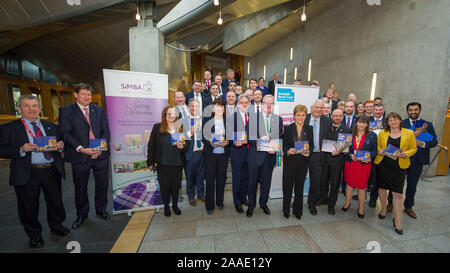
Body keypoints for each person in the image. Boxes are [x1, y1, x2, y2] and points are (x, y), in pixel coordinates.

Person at [0, 95, 68, 248]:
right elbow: (2, 149)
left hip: (51, 170)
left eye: (35, 106)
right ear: (19, 109)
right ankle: (34, 234)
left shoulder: (51, 126)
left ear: (40, 108)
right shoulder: (9, 128)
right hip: (28, 172)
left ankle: (57, 225)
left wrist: (61, 146)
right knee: (28, 206)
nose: (31, 109)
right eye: (26, 106)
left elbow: (61, 145)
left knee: (55, 202)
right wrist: (20, 149)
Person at [59, 83, 111, 230]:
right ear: (75, 95)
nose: (87, 97)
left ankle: (101, 210)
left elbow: (105, 131)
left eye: (89, 94)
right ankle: (82, 214)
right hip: (80, 156)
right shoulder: (66, 111)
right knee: (80, 187)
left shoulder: (98, 110)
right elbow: (65, 133)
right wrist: (82, 149)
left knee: (102, 185)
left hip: (100, 155)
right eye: (83, 94)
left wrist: (100, 149)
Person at [386, 103, 438, 219]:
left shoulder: (427, 125)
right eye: (410, 110)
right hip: (401, 158)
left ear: (420, 110)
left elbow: (434, 141)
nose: (413, 112)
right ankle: (390, 203)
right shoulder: (401, 123)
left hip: (417, 159)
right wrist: (411, 136)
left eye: (415, 110)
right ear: (407, 111)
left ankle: (408, 206)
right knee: (395, 182)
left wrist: (422, 143)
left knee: (412, 184)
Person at [375, 112, 417, 235]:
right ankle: (383, 210)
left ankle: (397, 221)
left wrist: (405, 154)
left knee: (397, 194)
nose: (392, 122)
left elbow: (413, 148)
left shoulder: (408, 133)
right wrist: (380, 151)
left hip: (399, 166)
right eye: (390, 120)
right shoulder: (383, 132)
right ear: (387, 122)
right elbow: (377, 146)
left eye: (395, 120)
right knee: (382, 189)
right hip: (383, 165)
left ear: (400, 121)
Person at [147, 106, 189, 217]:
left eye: (173, 114)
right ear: (164, 115)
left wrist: (182, 146)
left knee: (175, 187)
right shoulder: (157, 127)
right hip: (163, 164)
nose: (171, 116)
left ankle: (175, 205)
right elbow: (151, 146)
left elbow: (187, 145)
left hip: (177, 163)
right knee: (165, 187)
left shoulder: (181, 128)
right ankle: (166, 206)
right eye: (168, 113)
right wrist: (150, 162)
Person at [246, 95, 283, 217]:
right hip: (255, 156)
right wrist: (260, 141)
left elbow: (279, 138)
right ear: (261, 104)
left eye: (271, 103)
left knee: (266, 183)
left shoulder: (278, 119)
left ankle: (263, 203)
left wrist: (275, 148)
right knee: (252, 183)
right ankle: (251, 205)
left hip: (269, 157)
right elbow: (248, 136)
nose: (268, 105)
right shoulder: (253, 117)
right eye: (266, 103)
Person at [341, 115, 377, 219]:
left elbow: (375, 151)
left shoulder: (372, 135)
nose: (361, 125)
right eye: (360, 122)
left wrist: (369, 158)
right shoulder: (349, 135)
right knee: (349, 185)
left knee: (362, 187)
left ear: (367, 124)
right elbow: (343, 148)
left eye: (364, 123)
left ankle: (361, 208)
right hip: (351, 163)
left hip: (364, 164)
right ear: (356, 123)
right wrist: (349, 154)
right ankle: (347, 203)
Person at [282, 104, 313, 219]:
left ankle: (297, 211)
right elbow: (284, 145)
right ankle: (286, 210)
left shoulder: (309, 129)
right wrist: (288, 150)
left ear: (306, 116)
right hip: (290, 162)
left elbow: (312, 146)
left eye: (303, 115)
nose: (300, 117)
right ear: (294, 116)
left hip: (303, 163)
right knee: (287, 187)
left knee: (299, 188)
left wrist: (308, 152)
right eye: (298, 115)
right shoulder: (288, 128)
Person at [202, 98, 229, 215]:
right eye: (217, 106)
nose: (220, 108)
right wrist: (210, 143)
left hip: (223, 155)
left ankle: (220, 202)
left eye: (222, 106)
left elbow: (231, 137)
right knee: (210, 180)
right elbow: (202, 137)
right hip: (210, 155)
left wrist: (228, 142)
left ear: (224, 108)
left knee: (221, 179)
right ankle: (209, 205)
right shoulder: (207, 120)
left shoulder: (228, 121)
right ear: (213, 108)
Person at [322, 109, 352, 215]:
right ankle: (322, 199)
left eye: (340, 116)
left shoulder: (347, 129)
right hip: (324, 159)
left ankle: (331, 206)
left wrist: (339, 151)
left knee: (335, 185)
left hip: (338, 161)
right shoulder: (326, 127)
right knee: (323, 182)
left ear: (343, 117)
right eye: (335, 115)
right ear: (331, 116)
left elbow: (347, 145)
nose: (337, 118)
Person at [305, 100, 332, 215]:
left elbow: (330, 138)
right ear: (311, 108)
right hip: (303, 153)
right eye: (317, 107)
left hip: (319, 155)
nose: (319, 110)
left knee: (316, 180)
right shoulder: (303, 118)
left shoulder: (327, 121)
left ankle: (312, 203)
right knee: (299, 179)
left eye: (321, 108)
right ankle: (296, 201)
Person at [227, 94, 251, 213]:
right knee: (237, 178)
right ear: (238, 104)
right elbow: (228, 135)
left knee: (246, 178)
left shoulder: (253, 117)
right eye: (242, 102)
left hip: (250, 152)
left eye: (246, 102)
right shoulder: (232, 117)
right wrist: (234, 140)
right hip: (237, 152)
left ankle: (243, 197)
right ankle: (237, 202)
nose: (244, 104)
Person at [183, 99, 205, 206]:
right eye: (192, 106)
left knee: (200, 175)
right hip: (190, 152)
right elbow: (180, 136)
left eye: (196, 106)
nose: (194, 108)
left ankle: (201, 194)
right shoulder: (184, 120)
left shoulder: (203, 120)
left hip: (201, 152)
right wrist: (189, 133)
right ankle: (191, 196)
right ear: (188, 107)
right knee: (190, 176)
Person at [367, 103, 387, 207]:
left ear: (383, 111)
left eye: (380, 110)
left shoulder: (388, 121)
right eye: (376, 110)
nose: (378, 111)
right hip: (371, 152)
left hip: (384, 153)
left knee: (382, 177)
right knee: (373, 177)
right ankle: (373, 198)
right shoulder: (367, 120)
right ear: (373, 110)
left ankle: (383, 200)